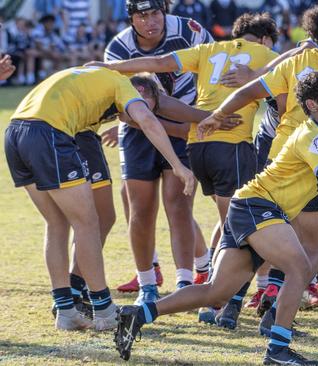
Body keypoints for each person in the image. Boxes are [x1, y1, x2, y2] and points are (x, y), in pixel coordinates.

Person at [113, 69, 318, 365]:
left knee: (217, 292)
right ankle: (278, 349)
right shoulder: (312, 135)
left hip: (251, 207)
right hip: (257, 207)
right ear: (312, 105)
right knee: (299, 266)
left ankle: (138, 315)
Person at [92, 12, 280, 328]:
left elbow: (157, 63)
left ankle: (213, 289)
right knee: (240, 231)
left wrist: (108, 67)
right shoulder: (267, 55)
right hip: (231, 145)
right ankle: (224, 301)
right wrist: (262, 70)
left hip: (197, 145)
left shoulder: (209, 50)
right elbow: (292, 69)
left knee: (228, 224)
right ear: (263, 39)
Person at [207, 2, 318, 327]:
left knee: (265, 233)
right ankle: (287, 314)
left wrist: (215, 117)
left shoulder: (298, 59)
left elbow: (248, 91)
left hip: (281, 158)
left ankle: (232, 306)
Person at [4, 66, 194, 331]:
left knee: (57, 224)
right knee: (88, 223)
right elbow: (148, 121)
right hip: (49, 133)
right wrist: (178, 165)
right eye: (140, 107)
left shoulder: (91, 78)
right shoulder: (123, 85)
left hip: (15, 132)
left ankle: (66, 310)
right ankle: (104, 309)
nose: (138, 116)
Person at [103, 0, 213, 303]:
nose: (151, 21)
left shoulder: (189, 30)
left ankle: (185, 282)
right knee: (139, 209)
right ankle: (148, 283)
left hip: (184, 120)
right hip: (140, 130)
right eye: (142, 16)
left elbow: (214, 69)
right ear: (131, 20)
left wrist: (201, 116)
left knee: (178, 205)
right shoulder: (118, 47)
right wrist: (177, 129)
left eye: (155, 13)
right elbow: (121, 106)